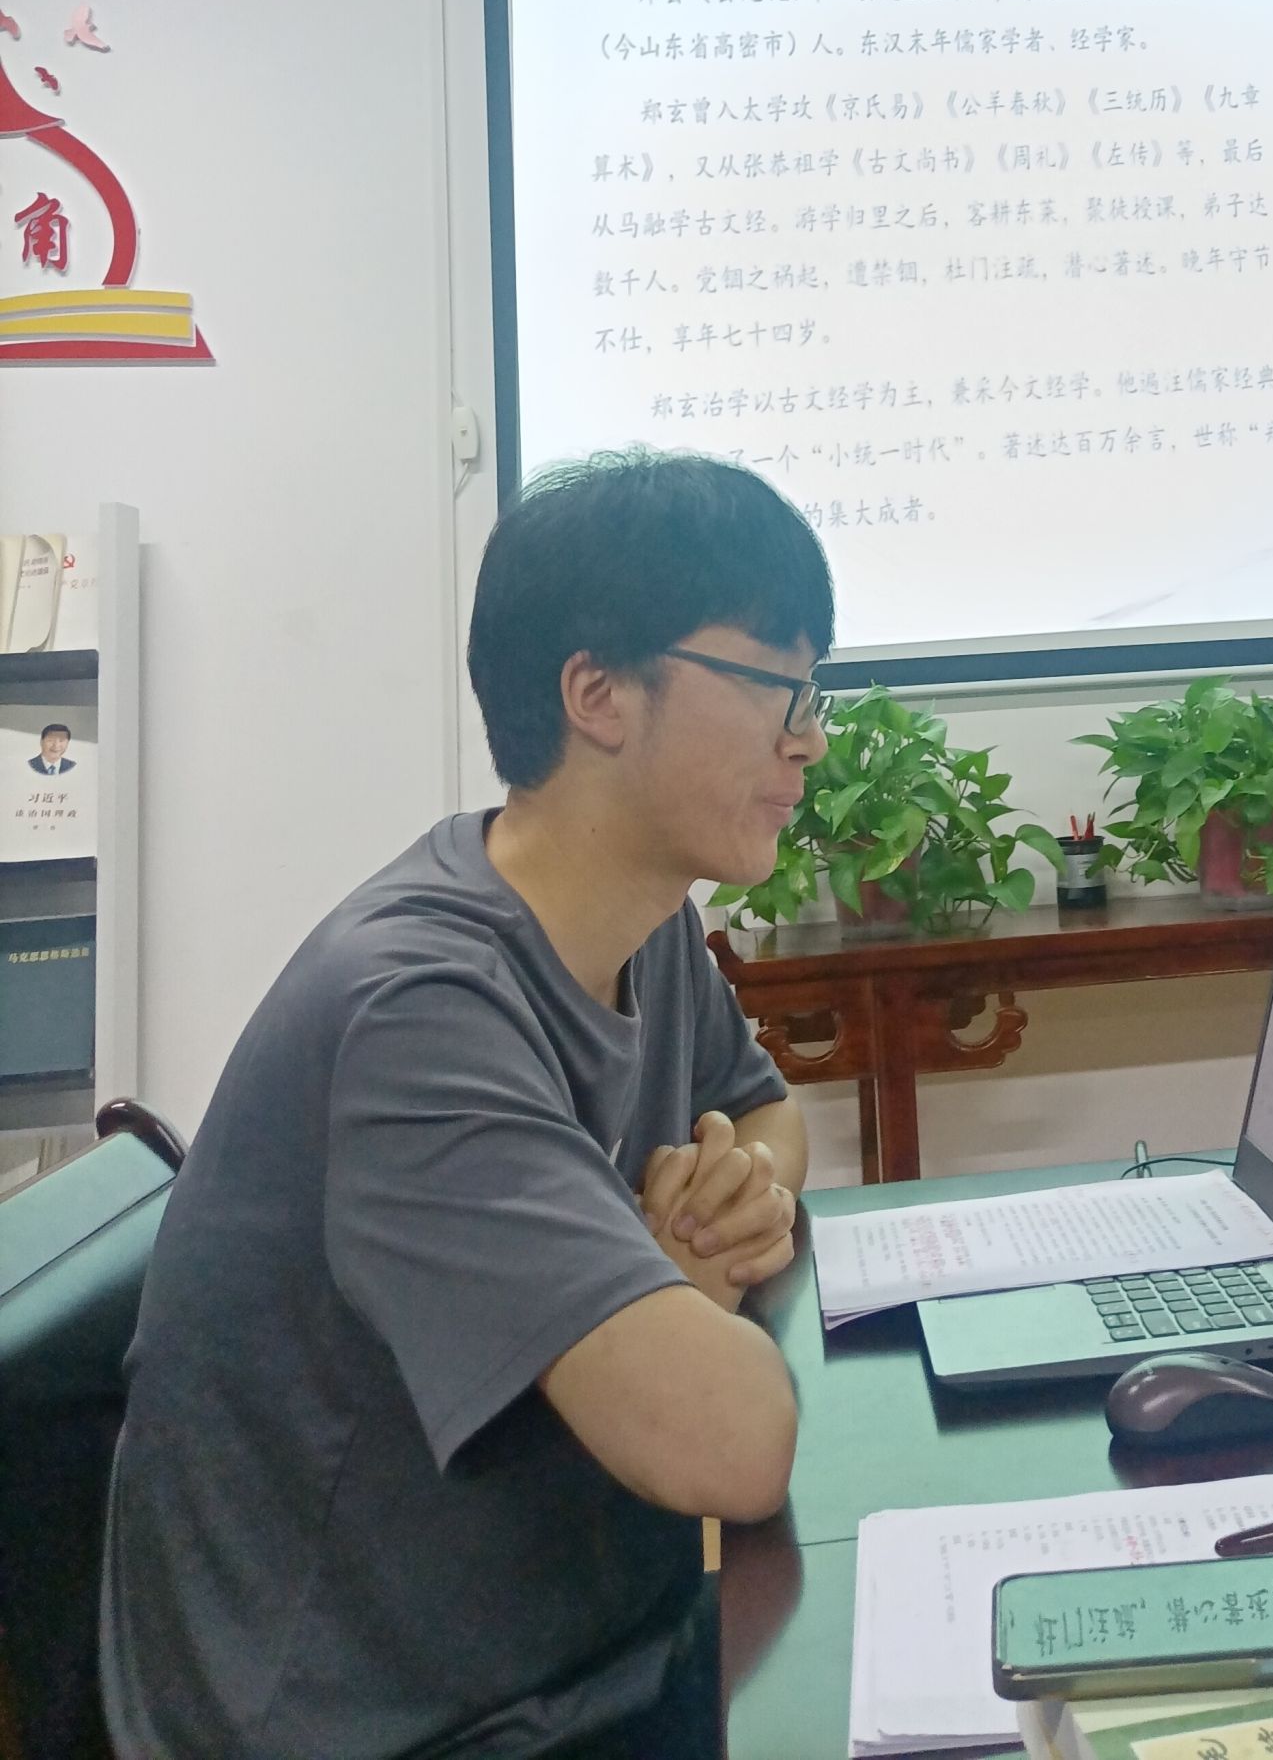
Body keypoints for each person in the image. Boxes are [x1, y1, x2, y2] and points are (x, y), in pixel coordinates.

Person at [102, 451, 833, 1760]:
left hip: (577, 1657)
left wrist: (737, 1201)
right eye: (773, 686)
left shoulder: (639, 919)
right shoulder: (417, 1009)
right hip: (394, 1725)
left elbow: (767, 1115)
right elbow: (730, 1447)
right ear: (596, 694)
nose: (808, 738)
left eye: (812, 689)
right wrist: (676, 1283)